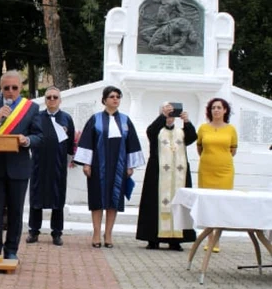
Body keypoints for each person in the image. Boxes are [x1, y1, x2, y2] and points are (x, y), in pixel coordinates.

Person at [0, 70, 42, 261]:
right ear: (1, 88)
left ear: (20, 88)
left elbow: (39, 137)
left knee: (15, 211)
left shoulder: (30, 108)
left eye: (14, 88)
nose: (10, 92)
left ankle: (11, 249)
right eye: (7, 88)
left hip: (19, 167)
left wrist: (27, 140)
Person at [74, 85, 144, 248]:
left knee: (114, 200)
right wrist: (86, 163)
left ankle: (109, 234)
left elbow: (131, 143)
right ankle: (97, 233)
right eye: (112, 96)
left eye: (118, 97)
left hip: (118, 168)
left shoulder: (126, 121)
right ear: (104, 100)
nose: (115, 99)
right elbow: (86, 141)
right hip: (98, 166)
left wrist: (130, 165)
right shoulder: (95, 119)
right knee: (98, 199)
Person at [136, 103, 197, 250]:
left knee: (178, 204)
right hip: (158, 175)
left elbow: (192, 137)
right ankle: (153, 239)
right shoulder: (157, 131)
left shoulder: (181, 132)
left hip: (178, 176)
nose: (170, 117)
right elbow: (150, 131)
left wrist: (187, 121)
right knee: (154, 204)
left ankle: (175, 240)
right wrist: (162, 116)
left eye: (172, 114)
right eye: (167, 113)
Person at [27, 86, 75, 246]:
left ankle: (57, 233)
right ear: (45, 100)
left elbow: (70, 143)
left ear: (60, 100)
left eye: (55, 97)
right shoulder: (37, 118)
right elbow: (30, 138)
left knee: (58, 197)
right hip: (39, 164)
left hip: (58, 165)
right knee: (36, 197)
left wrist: (69, 160)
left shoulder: (66, 118)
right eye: (49, 97)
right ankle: (34, 231)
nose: (52, 100)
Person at [197, 97, 238, 252]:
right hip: (207, 169)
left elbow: (233, 150)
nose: (216, 110)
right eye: (213, 107)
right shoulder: (203, 128)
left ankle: (217, 240)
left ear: (225, 110)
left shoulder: (231, 129)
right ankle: (209, 238)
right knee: (208, 203)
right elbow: (200, 147)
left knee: (221, 203)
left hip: (225, 170)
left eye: (219, 107)